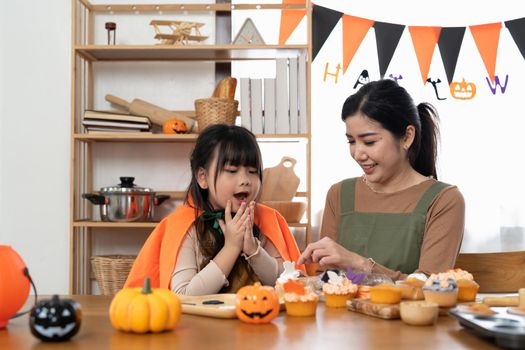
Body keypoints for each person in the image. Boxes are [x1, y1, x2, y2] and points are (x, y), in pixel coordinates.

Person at [298, 79, 465, 281]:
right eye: (351, 141)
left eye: (369, 142)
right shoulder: (340, 194)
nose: (357, 153)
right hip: (342, 313)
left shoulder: (443, 200)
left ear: (406, 137)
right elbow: (327, 278)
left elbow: (431, 288)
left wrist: (359, 264)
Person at [125, 124, 304, 294]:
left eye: (252, 171)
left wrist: (253, 251)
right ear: (203, 177)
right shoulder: (187, 226)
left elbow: (288, 284)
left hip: (255, 321)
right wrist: (232, 247)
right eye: (232, 171)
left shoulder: (264, 219)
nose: (245, 180)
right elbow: (183, 294)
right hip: (201, 325)